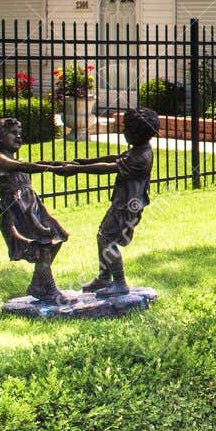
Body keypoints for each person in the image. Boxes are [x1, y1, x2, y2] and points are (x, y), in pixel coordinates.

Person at [54, 107, 158, 297]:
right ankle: (104, 278)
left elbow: (111, 167)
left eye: (126, 128)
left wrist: (77, 170)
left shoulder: (141, 158)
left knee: (107, 240)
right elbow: (115, 158)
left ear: (136, 133)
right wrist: (86, 162)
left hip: (128, 205)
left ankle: (119, 283)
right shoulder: (138, 150)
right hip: (123, 202)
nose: (123, 131)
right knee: (103, 235)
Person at [0, 117, 70, 304]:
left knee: (58, 236)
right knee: (44, 242)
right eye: (14, 133)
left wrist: (56, 164)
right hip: (17, 207)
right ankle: (48, 288)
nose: (19, 137)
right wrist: (49, 168)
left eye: (21, 134)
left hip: (30, 204)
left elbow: (27, 164)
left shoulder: (11, 157)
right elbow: (22, 167)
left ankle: (39, 282)